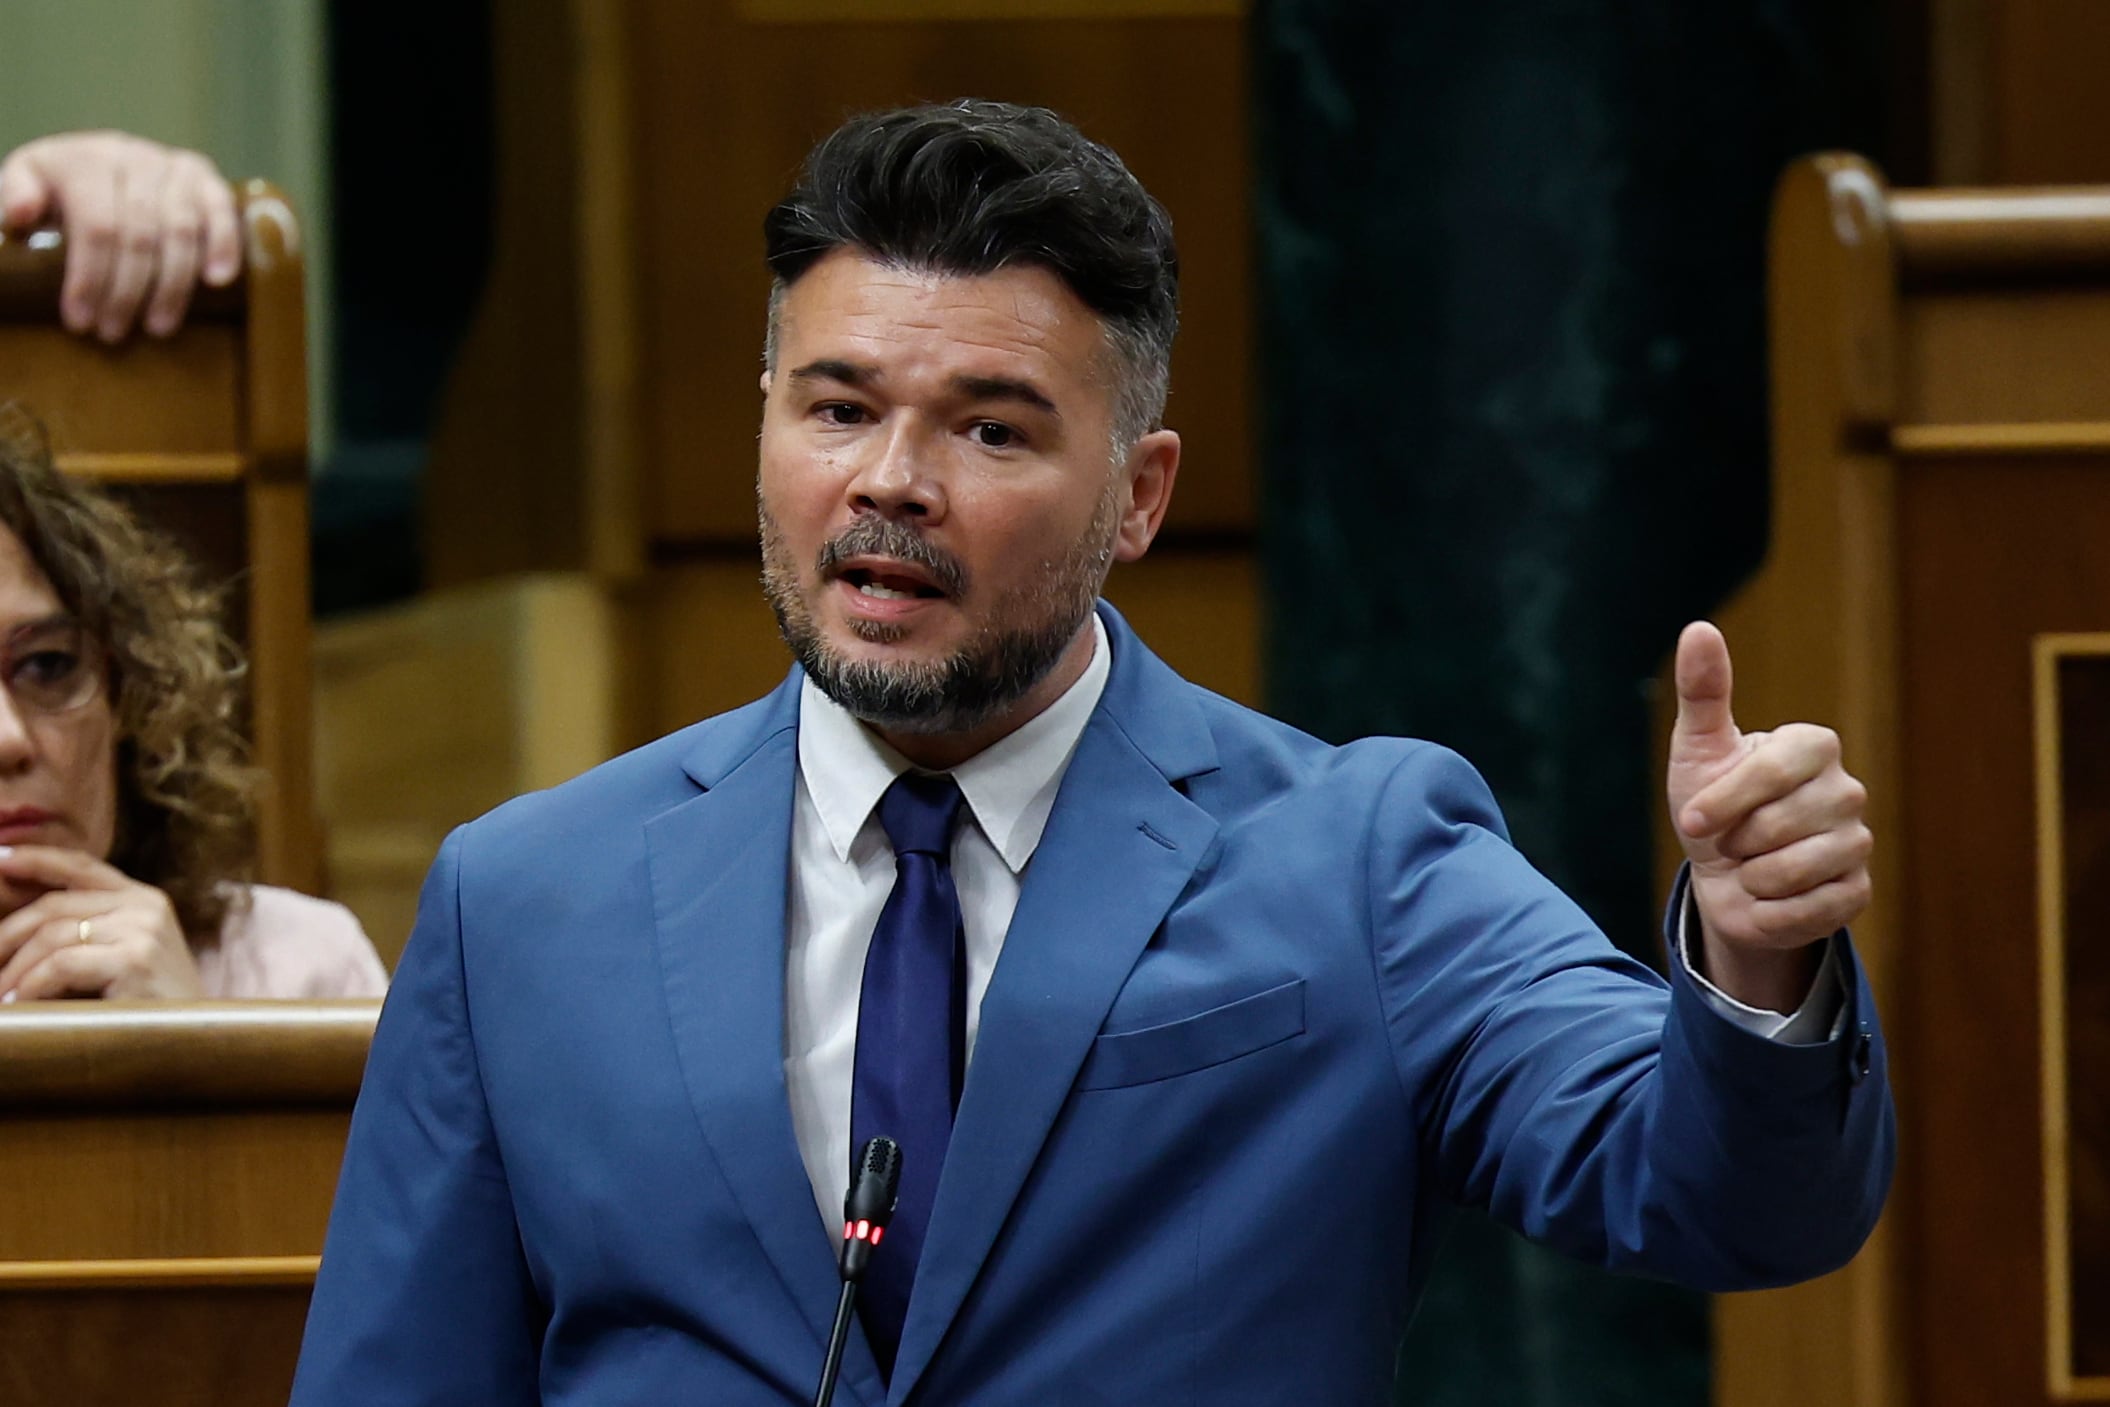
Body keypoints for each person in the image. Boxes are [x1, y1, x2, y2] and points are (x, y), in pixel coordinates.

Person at [4, 106, 1889, 1403]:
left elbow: (1720, 1191)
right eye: (839, 405)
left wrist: (1752, 960)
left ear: (1138, 494)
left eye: (992, 428)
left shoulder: (1363, 852)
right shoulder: (526, 901)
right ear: (764, 429)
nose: (891, 482)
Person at [0, 411, 384, 1001]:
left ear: (123, 694)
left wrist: (190, 1049)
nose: (11, 740)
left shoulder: (296, 965)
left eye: (48, 665)